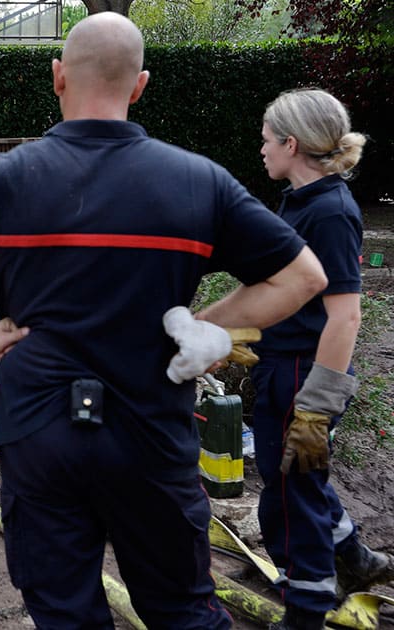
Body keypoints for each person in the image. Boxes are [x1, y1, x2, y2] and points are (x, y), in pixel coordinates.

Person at [0, 11, 328, 629]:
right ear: (140, 85)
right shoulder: (198, 182)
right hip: (152, 433)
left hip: (39, 432)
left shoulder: (3, 179)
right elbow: (305, 277)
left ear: (57, 77)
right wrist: (205, 326)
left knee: (65, 613)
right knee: (183, 612)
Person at [217, 87, 390, 630]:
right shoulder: (301, 201)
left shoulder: (332, 213)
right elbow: (284, 287)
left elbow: (345, 317)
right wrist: (249, 327)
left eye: (267, 139)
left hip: (303, 375)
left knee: (291, 500)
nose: (261, 148)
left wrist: (317, 403)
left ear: (291, 144)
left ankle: (307, 611)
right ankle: (355, 560)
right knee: (299, 482)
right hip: (283, 366)